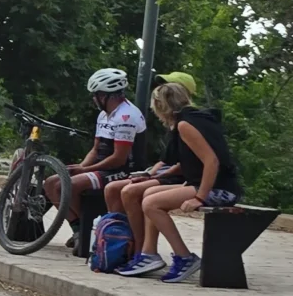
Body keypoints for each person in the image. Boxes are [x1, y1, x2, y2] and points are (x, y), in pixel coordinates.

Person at [119, 79, 242, 282]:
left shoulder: (186, 125)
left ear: (161, 105)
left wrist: (199, 197)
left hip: (221, 189)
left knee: (152, 204)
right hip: (205, 183)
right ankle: (149, 253)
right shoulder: (193, 118)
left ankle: (185, 257)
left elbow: (212, 161)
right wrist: (155, 176)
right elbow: (188, 161)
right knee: (148, 193)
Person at [52, 67, 144, 254]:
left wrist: (85, 171)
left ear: (105, 96)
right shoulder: (103, 114)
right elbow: (96, 149)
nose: (93, 99)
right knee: (50, 183)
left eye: (95, 95)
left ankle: (90, 229)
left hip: (122, 170)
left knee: (67, 185)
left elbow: (118, 159)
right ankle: (79, 230)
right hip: (103, 167)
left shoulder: (126, 117)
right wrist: (81, 166)